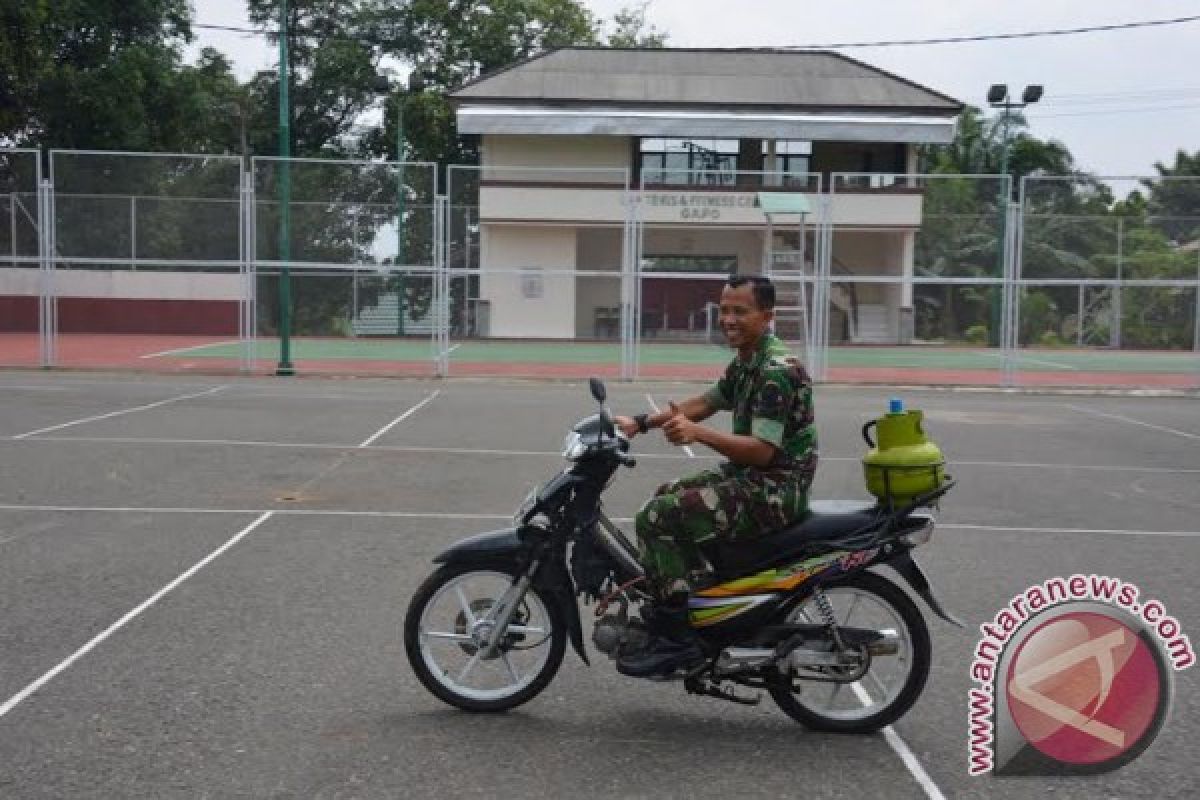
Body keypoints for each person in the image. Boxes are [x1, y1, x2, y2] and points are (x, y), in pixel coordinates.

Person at [613, 275, 818, 677]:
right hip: (758, 477)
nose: (728, 318)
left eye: (740, 311)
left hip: (776, 487)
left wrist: (697, 434)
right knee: (665, 495)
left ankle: (682, 637)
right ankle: (707, 602)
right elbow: (707, 402)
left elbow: (763, 451)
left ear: (767, 316)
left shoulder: (775, 371)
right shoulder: (748, 359)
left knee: (658, 517)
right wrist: (641, 423)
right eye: (724, 310)